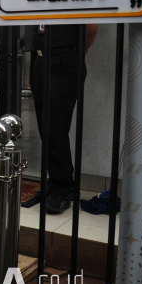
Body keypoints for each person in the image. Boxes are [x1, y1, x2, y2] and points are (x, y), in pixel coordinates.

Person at [31, 23, 98, 213]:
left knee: (54, 126)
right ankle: (61, 184)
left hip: (64, 59)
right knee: (46, 127)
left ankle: (61, 189)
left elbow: (91, 28)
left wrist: (76, 52)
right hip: (40, 57)